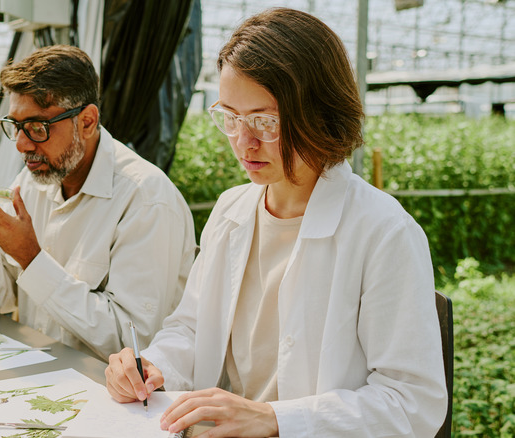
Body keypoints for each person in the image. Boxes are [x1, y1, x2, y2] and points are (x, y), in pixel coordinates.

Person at [105, 8, 447, 437]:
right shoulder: (231, 211)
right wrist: (153, 366)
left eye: (265, 122)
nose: (244, 142)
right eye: (230, 117)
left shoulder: (383, 232)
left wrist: (275, 419)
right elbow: (193, 328)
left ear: (320, 112)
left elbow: (412, 402)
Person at [0, 45, 197, 361]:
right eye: (16, 126)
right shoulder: (33, 184)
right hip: (45, 382)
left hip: (114, 399)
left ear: (87, 121)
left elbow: (133, 344)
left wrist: (31, 259)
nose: (22, 144)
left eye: (37, 127)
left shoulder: (145, 200)